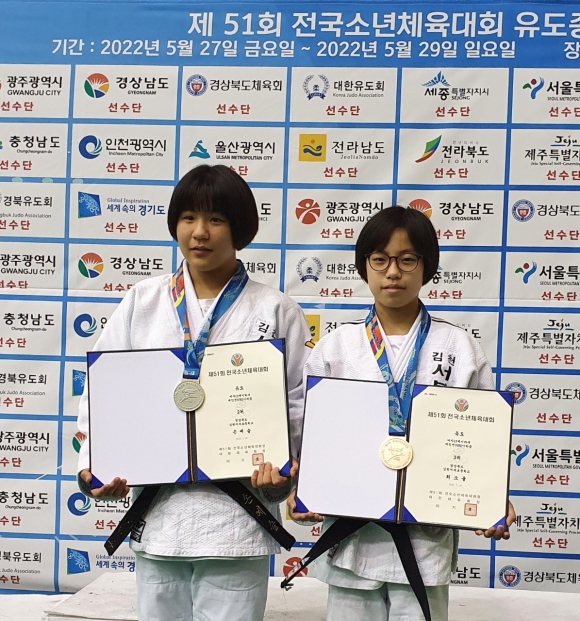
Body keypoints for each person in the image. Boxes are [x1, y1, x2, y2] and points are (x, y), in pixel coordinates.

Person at [77, 164, 311, 621]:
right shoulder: (142, 301)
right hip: (159, 513)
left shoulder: (275, 309)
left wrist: (287, 470)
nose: (199, 232)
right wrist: (94, 466)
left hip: (238, 518)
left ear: (240, 228)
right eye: (188, 217)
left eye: (216, 219)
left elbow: (298, 404)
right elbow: (102, 390)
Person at [289, 206, 516, 621]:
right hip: (352, 537)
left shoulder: (459, 347)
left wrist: (492, 498)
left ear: (427, 266)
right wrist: (303, 489)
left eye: (407, 259)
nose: (393, 272)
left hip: (425, 539)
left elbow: (485, 439)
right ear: (364, 266)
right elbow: (309, 435)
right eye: (380, 259)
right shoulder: (337, 347)